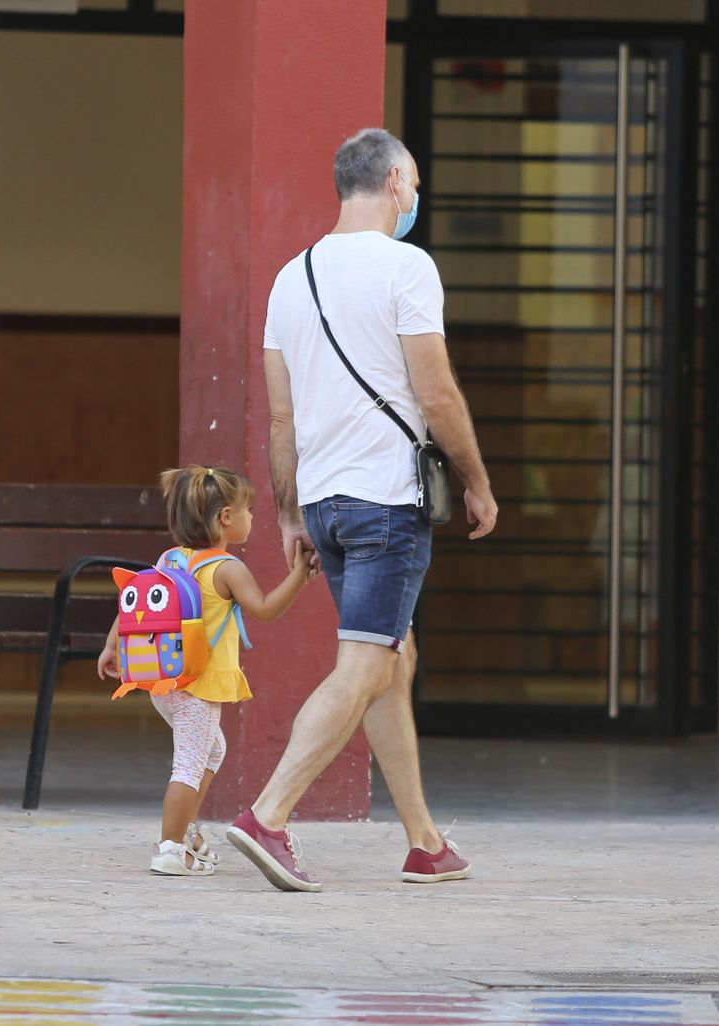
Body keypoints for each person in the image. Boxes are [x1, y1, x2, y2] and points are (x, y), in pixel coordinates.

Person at [226, 128, 499, 893]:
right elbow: (436, 392)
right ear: (394, 183)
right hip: (387, 502)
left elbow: (280, 420)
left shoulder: (292, 277)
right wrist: (476, 480)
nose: (415, 197)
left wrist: (287, 516)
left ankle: (424, 842)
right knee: (364, 664)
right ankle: (267, 818)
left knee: (391, 658)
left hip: (325, 502)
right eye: (413, 183)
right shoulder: (408, 268)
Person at [98, 465, 315, 877]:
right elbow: (266, 610)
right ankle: (169, 847)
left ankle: (187, 831)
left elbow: (137, 603)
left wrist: (112, 647)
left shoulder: (169, 558)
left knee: (213, 750)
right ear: (225, 518)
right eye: (248, 510)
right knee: (189, 764)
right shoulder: (227, 569)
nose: (252, 517)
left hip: (164, 682)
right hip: (197, 687)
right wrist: (300, 574)